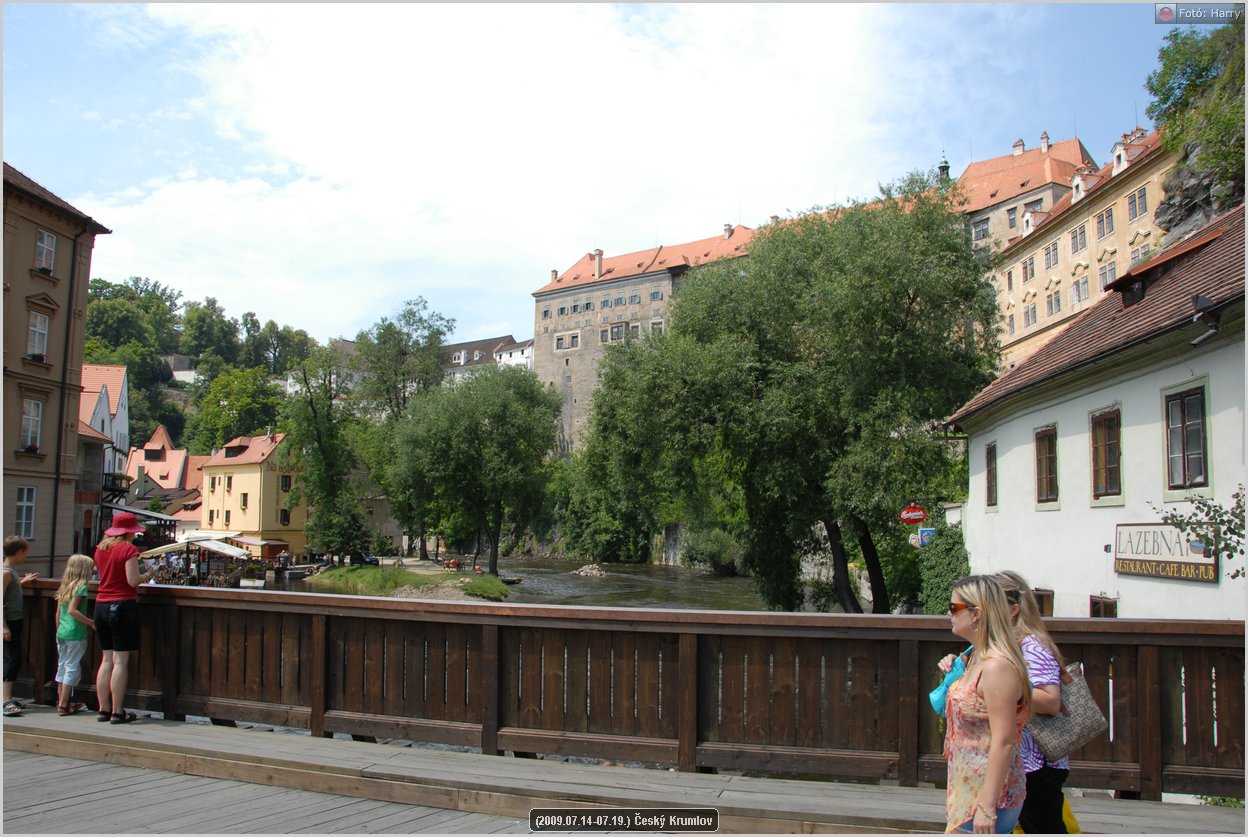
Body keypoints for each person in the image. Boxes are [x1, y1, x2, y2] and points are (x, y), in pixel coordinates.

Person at [943, 575, 1032, 834]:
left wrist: (986, 806)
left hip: (989, 797)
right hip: (967, 790)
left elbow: (1004, 741)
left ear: (976, 614)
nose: (948, 613)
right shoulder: (976, 658)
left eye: (954, 608)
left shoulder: (997, 668)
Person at [996, 570, 1076, 834]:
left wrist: (1004, 689)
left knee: (1043, 827)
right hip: (1023, 762)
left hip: (1038, 764)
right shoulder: (1009, 645)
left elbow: (1051, 701)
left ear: (1013, 610)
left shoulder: (1032, 646)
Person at [93, 512, 158, 724]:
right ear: (129, 532)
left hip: (101, 605)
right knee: (120, 661)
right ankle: (118, 711)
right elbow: (132, 580)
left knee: (106, 660)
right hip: (122, 605)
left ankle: (103, 709)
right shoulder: (128, 549)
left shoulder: (101, 549)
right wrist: (149, 575)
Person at [54, 554, 96, 715]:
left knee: (63, 666)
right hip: (75, 632)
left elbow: (59, 612)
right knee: (72, 667)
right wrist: (90, 622)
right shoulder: (81, 588)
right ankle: (64, 705)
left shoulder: (65, 586)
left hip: (62, 632)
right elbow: (73, 610)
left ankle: (62, 701)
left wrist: (58, 629)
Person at [3, 536, 39, 717]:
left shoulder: (10, 571)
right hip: (9, 621)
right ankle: (5, 699)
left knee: (12, 658)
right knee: (11, 659)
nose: (25, 555)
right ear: (19, 552)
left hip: (13, 620)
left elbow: (9, 590)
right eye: (25, 552)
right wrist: (4, 627)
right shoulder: (5, 572)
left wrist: (21, 583)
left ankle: (6, 697)